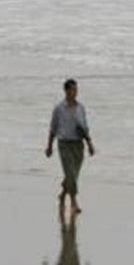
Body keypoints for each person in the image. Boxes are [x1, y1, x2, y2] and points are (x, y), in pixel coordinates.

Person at [46, 78, 96, 214]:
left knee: (74, 174)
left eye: (76, 90)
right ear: (66, 91)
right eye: (72, 90)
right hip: (64, 144)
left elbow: (85, 128)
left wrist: (90, 144)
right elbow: (53, 128)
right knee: (70, 173)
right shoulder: (58, 109)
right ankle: (73, 202)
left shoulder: (81, 108)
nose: (75, 92)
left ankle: (63, 193)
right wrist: (49, 146)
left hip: (78, 144)